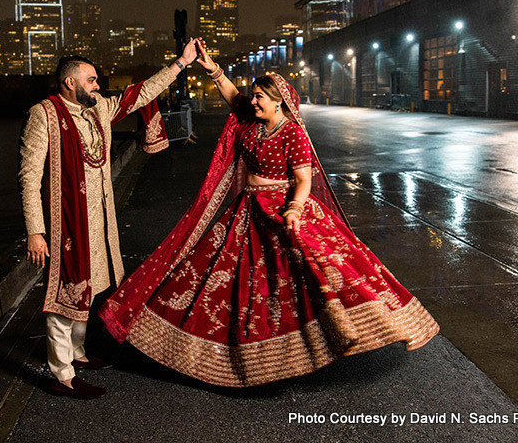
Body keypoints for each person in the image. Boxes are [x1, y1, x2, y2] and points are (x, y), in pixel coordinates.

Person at [99, 39, 439, 387]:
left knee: (306, 276)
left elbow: (304, 179)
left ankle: (334, 336)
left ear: (279, 103)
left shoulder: (293, 134)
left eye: (261, 97)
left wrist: (293, 208)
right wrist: (212, 67)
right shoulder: (252, 121)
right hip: (247, 208)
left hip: (282, 209)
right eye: (255, 95)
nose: (254, 101)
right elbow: (232, 95)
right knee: (225, 276)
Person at [19, 39, 198, 398]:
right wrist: (35, 231)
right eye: (92, 80)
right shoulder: (44, 114)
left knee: (93, 286)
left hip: (100, 221)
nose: (98, 85)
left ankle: (79, 353)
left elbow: (141, 94)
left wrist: (181, 63)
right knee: (64, 294)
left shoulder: (98, 108)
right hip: (65, 224)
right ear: (70, 82)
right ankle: (62, 374)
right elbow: (29, 175)